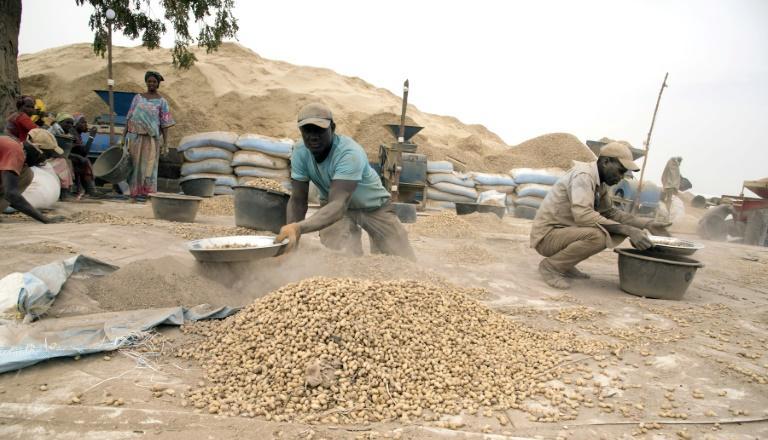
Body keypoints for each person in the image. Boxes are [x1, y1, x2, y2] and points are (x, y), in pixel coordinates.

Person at [275, 102, 415, 259]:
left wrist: (298, 228)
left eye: (320, 130)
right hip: (333, 209)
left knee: (402, 260)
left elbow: (339, 205)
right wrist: (291, 237)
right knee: (341, 256)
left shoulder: (349, 153)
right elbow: (298, 200)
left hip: (373, 207)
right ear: (300, 130)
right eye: (307, 130)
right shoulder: (300, 151)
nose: (313, 136)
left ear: (332, 128)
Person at [531, 142, 671, 289]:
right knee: (599, 236)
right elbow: (583, 215)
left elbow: (610, 212)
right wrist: (628, 230)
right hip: (546, 237)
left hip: (562, 233)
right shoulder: (584, 175)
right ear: (605, 162)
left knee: (606, 229)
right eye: (620, 171)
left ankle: (564, 264)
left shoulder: (601, 183)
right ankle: (551, 267)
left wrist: (646, 224)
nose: (621, 177)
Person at [123, 71, 175, 202]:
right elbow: (129, 117)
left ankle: (148, 195)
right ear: (146, 82)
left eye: (154, 82)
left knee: (149, 167)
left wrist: (165, 144)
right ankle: (133, 195)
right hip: (135, 137)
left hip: (151, 139)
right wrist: (122, 137)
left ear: (158, 84)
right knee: (134, 165)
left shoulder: (162, 102)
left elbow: (165, 124)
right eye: (149, 81)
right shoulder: (137, 98)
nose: (151, 84)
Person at [0, 129, 63, 223]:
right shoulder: (15, 151)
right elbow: (11, 194)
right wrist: (44, 219)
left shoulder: (15, 148)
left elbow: (9, 195)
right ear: (37, 149)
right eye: (46, 155)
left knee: (26, 174)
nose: (44, 160)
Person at [47, 113, 76, 199]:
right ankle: (64, 192)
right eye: (67, 122)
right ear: (60, 122)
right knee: (63, 162)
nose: (69, 125)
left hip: (55, 155)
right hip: (49, 156)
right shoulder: (56, 128)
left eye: (71, 123)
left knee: (67, 161)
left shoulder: (61, 130)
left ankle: (66, 190)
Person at [70, 113, 99, 197]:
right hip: (72, 159)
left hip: (75, 158)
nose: (85, 125)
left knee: (85, 160)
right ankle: (89, 189)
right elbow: (84, 151)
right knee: (85, 161)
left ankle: (88, 189)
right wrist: (91, 137)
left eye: (86, 123)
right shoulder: (73, 133)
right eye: (83, 122)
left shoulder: (77, 134)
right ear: (76, 124)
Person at [660, 156, 683, 221]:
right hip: (670, 186)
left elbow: (670, 174)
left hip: (668, 185)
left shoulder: (672, 164)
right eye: (680, 162)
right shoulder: (674, 165)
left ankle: (666, 214)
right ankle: (667, 214)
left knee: (667, 199)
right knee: (668, 200)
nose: (680, 164)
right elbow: (673, 175)